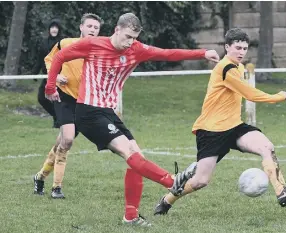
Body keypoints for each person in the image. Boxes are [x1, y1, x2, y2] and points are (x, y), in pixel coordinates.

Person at [44, 12, 220, 227]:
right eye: (127, 36)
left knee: (137, 158)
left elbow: (168, 54)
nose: (130, 42)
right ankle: (172, 182)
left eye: (134, 38)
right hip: (88, 112)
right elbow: (60, 57)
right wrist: (50, 86)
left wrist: (203, 53)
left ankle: (130, 216)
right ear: (116, 30)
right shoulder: (92, 44)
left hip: (107, 112)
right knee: (128, 153)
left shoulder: (136, 49)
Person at [154, 28, 286, 216]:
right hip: (212, 131)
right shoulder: (225, 68)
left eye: (245, 48)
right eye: (237, 47)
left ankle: (281, 191)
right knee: (200, 181)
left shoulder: (239, 67)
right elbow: (250, 94)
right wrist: (278, 96)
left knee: (266, 147)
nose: (242, 52)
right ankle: (166, 201)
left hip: (234, 126)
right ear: (227, 47)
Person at [33, 13, 103, 199]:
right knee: (68, 140)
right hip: (63, 98)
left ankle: (40, 177)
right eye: (89, 26)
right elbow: (49, 60)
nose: (92, 30)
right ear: (81, 27)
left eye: (96, 28)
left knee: (61, 142)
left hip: (84, 102)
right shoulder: (65, 43)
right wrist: (55, 77)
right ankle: (56, 188)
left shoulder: (101, 51)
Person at [32, 18, 63, 128]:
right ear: (49, 29)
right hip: (47, 76)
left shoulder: (62, 42)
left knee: (57, 99)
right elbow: (40, 59)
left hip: (59, 76)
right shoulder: (44, 42)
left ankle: (60, 120)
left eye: (56, 27)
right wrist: (35, 73)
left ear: (59, 29)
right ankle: (56, 116)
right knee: (41, 98)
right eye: (52, 27)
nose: (54, 29)